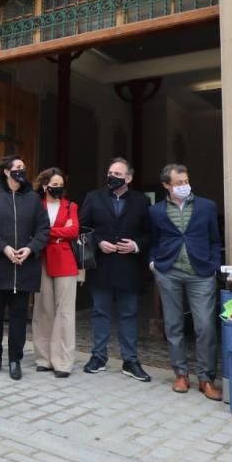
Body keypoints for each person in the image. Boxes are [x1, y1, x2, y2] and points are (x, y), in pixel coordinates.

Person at [149, 164, 224, 400]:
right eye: (179, 183)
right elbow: (154, 239)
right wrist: (153, 262)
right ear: (166, 185)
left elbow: (215, 239)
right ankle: (180, 374)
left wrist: (213, 265)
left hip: (200, 273)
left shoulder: (207, 206)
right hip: (168, 271)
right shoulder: (156, 211)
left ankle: (206, 378)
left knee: (205, 327)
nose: (184, 186)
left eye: (186, 181)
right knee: (173, 326)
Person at [0, 156, 50, 380]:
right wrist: (4, 248)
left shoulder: (33, 199)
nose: (21, 171)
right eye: (17, 168)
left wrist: (30, 249)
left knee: (18, 318)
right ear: (6, 172)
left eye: (23, 168)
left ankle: (15, 359)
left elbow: (43, 229)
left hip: (23, 269)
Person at [80, 158, 153, 382]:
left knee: (128, 314)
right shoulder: (93, 197)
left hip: (129, 267)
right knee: (100, 312)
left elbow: (150, 233)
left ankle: (130, 360)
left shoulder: (142, 201)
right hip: (101, 266)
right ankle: (98, 356)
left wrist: (136, 245)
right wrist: (99, 242)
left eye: (118, 173)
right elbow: (82, 227)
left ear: (128, 178)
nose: (112, 176)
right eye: (110, 172)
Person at [31, 168, 80, 377]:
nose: (58, 188)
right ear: (45, 186)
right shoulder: (36, 205)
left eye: (61, 185)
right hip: (41, 260)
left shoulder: (71, 206)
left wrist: (48, 232)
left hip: (65, 262)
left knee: (65, 312)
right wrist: (59, 233)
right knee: (43, 310)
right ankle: (44, 358)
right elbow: (32, 231)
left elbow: (74, 231)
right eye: (54, 184)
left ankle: (63, 362)